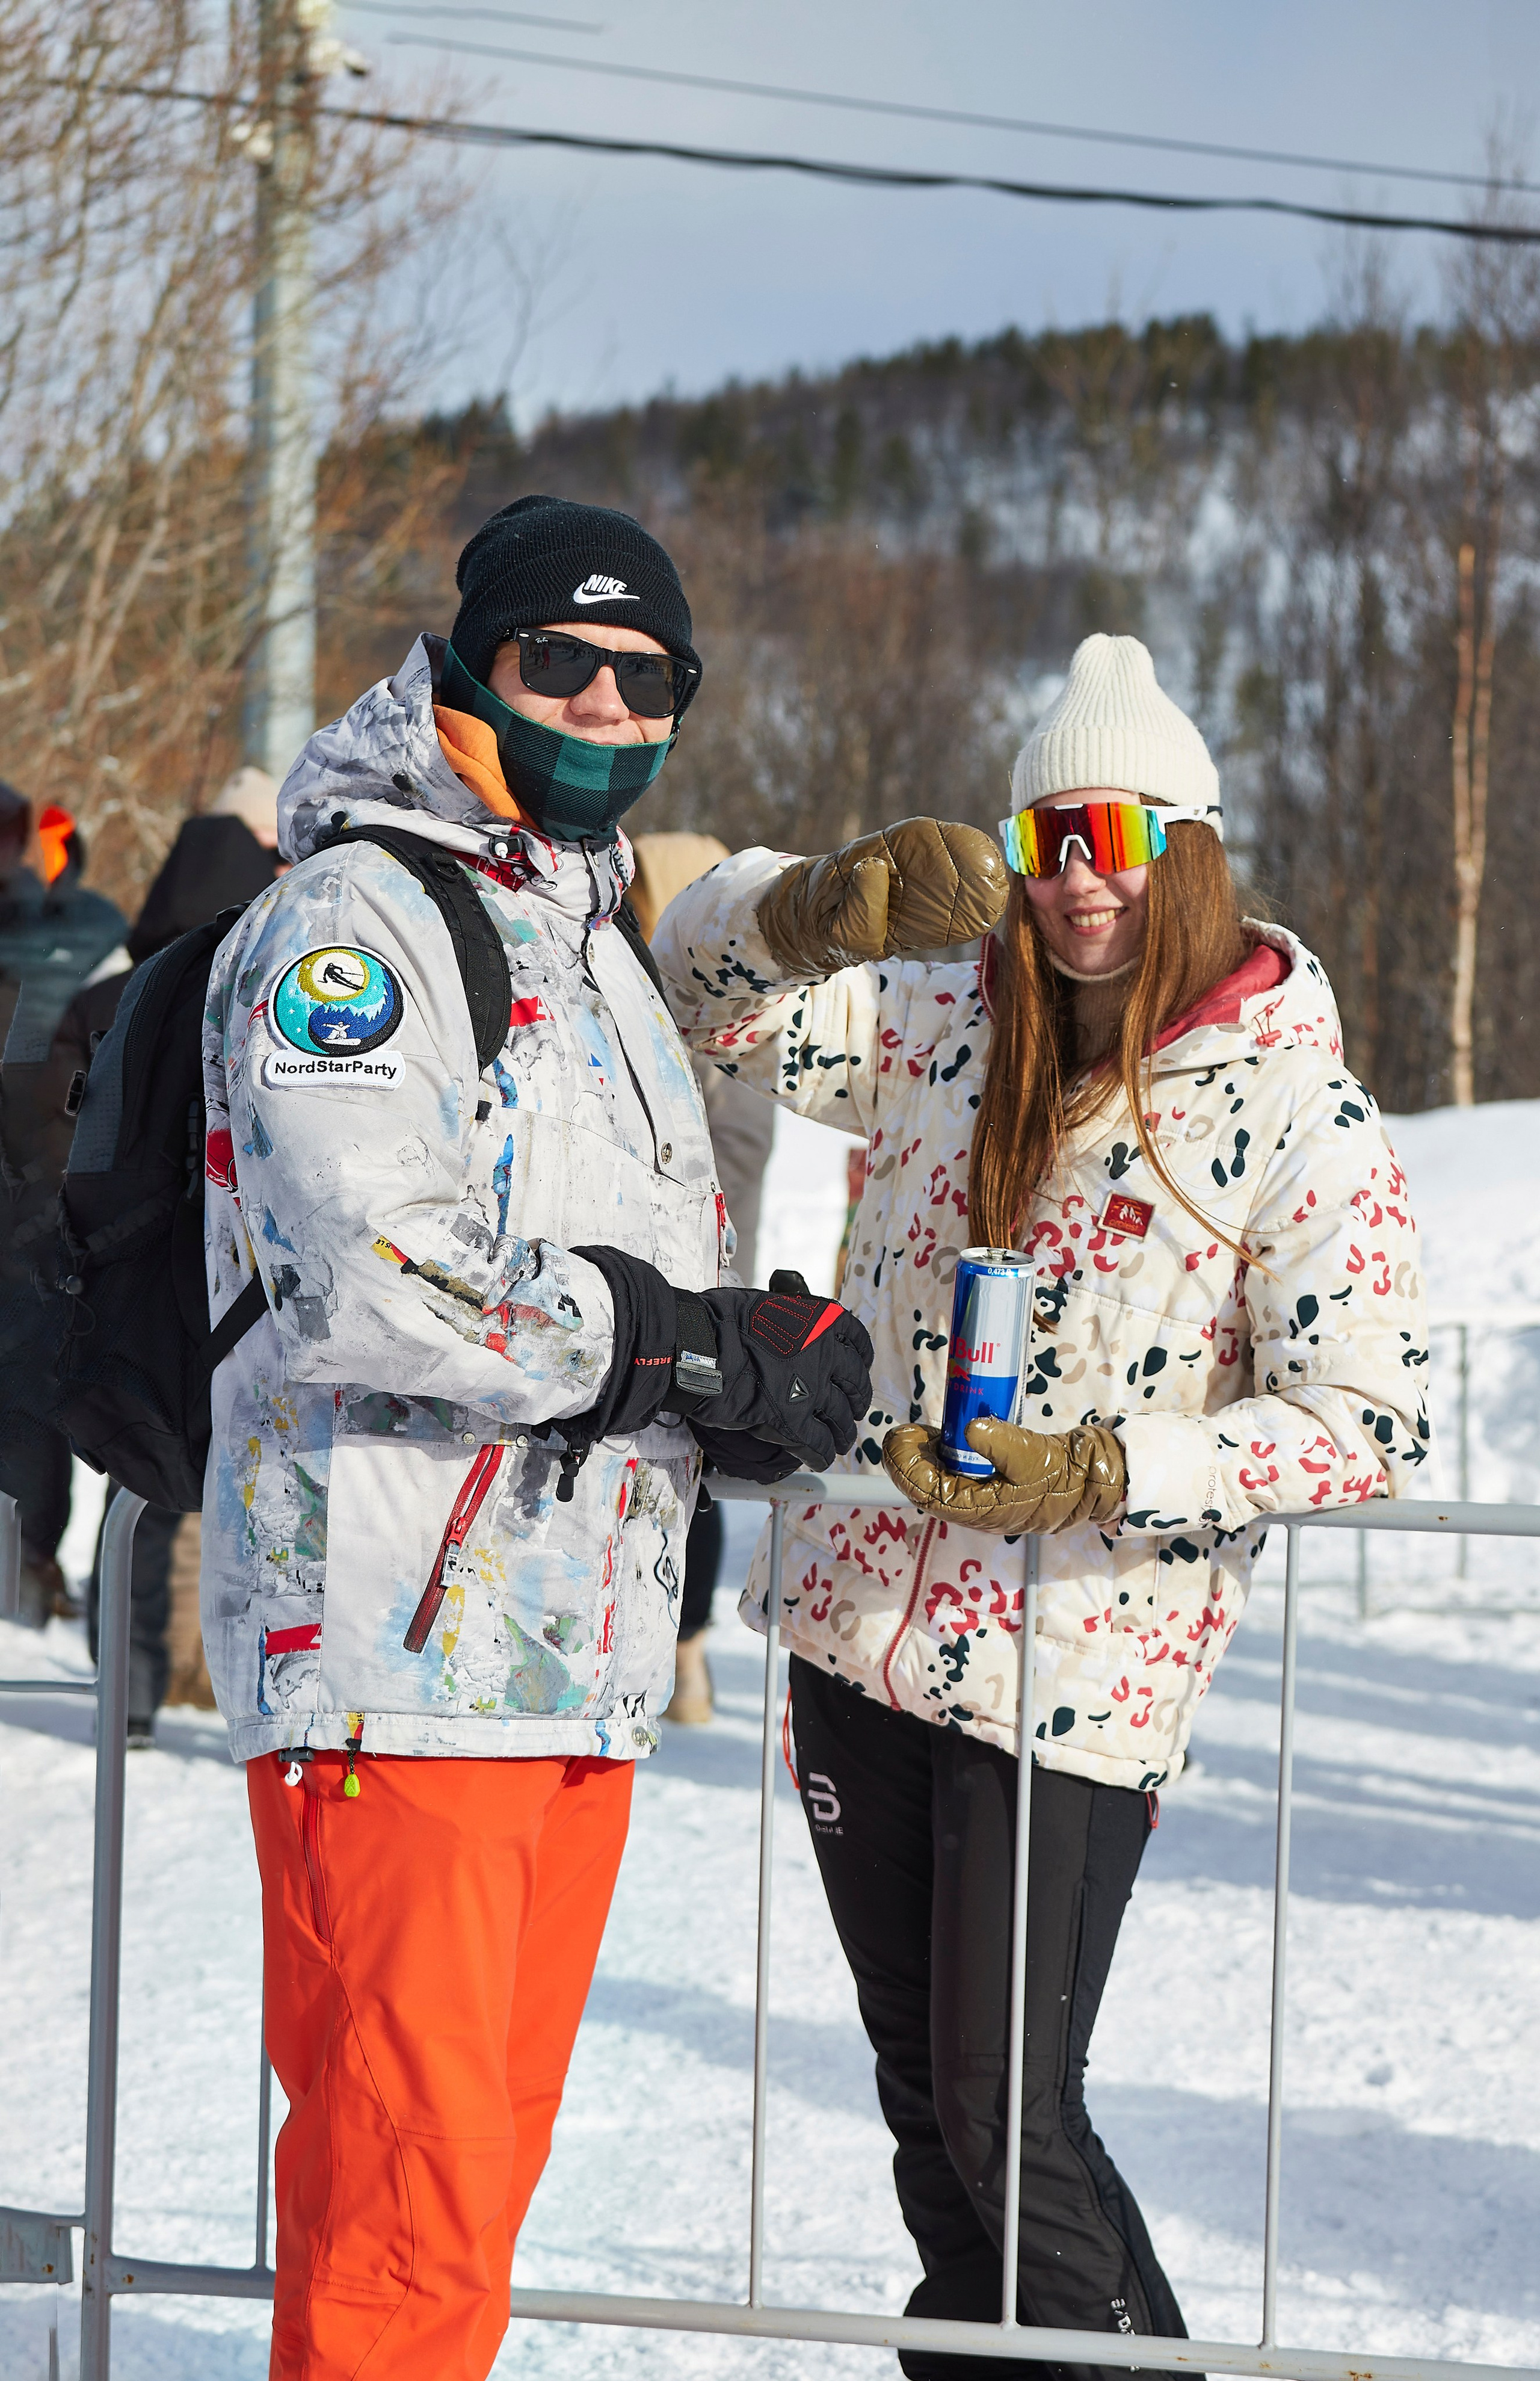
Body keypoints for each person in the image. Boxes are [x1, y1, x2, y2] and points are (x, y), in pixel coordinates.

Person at [652, 632, 1430, 2379]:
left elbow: (1372, 1414)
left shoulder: (1291, 1099)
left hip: (1079, 1656)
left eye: (1127, 834)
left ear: (1194, 844)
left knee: (1013, 2109)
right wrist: (818, 902)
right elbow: (697, 991)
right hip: (862, 1624)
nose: (1087, 876)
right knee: (932, 2108)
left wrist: (1110, 1471)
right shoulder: (939, 1013)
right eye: (1055, 832)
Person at [200, 493, 873, 2381]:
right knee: (401, 2218)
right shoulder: (356, 913)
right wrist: (666, 1341)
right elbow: (371, 1268)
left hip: (563, 1667)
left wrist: (747, 1379)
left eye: (647, 675)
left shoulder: (599, 948)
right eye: (556, 658)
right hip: (397, 1660)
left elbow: (622, 1314)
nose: (602, 699)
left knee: (467, 2199)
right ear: (470, 664)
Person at [630, 829, 777, 1722]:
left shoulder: (727, 1042)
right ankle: (675, 1654)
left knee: (693, 1469)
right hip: (682, 1284)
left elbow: (729, 1162)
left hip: (703, 1285)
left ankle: (684, 1652)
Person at [0, 783, 125, 1623]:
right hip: (51, 1188)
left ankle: (28, 1565)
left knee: (31, 1385)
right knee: (34, 1385)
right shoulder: (99, 941)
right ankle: (30, 1564)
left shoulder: (91, 942)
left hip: (43, 1189)